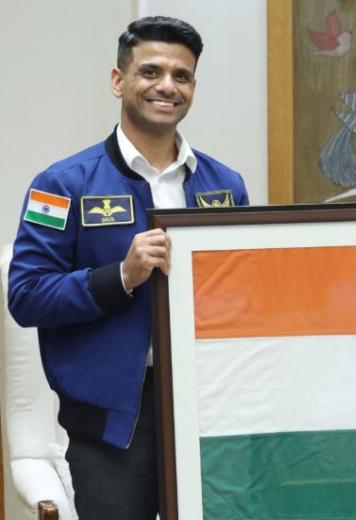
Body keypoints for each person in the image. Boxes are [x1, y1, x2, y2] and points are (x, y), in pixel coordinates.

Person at [8, 16, 248, 519]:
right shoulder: (61, 184)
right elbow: (27, 296)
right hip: (111, 427)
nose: (167, 86)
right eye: (151, 71)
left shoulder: (226, 185)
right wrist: (121, 277)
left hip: (209, 412)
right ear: (119, 81)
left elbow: (242, 296)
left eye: (181, 76)